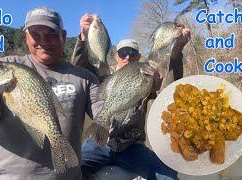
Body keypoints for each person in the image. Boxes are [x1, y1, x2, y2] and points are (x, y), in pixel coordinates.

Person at [0, 7, 102, 180]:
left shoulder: (85, 78)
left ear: (63, 36)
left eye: (50, 34)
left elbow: (104, 113)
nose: (43, 41)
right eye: (35, 34)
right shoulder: (6, 65)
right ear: (26, 37)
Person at [71, 14, 191, 180]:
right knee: (72, 171)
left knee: (169, 176)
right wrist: (83, 39)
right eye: (123, 53)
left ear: (138, 56)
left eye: (132, 53)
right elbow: (77, 71)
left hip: (132, 146)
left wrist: (176, 53)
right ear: (116, 56)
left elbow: (172, 90)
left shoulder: (146, 75)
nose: (127, 57)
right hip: (99, 142)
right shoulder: (103, 75)